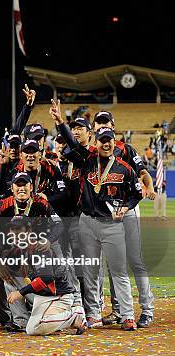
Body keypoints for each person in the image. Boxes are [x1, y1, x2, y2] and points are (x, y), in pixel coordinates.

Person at [51, 100, 143, 331]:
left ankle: (127, 315)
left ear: (114, 141)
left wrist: (127, 206)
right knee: (90, 271)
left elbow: (137, 193)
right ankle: (94, 315)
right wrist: (61, 122)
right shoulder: (87, 160)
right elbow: (72, 141)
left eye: (108, 140)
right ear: (97, 141)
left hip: (113, 225)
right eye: (101, 140)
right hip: (88, 222)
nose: (105, 144)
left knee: (119, 271)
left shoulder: (125, 167)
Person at [92, 110, 156, 328]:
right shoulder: (93, 153)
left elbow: (142, 171)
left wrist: (149, 186)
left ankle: (147, 309)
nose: (102, 126)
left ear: (113, 125)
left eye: (105, 123)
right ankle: (119, 310)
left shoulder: (126, 149)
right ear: (94, 129)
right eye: (98, 124)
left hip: (127, 210)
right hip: (106, 215)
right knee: (113, 264)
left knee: (135, 260)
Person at [1, 216, 86, 336]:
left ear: (28, 230)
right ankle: (22, 321)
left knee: (33, 328)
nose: (14, 233)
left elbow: (47, 278)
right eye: (11, 229)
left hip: (58, 296)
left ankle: (74, 315)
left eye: (18, 229)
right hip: (42, 295)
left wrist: (20, 293)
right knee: (10, 280)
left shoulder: (39, 247)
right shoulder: (20, 248)